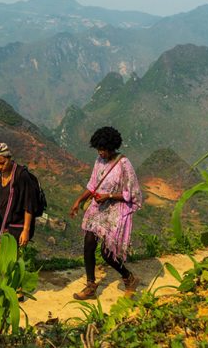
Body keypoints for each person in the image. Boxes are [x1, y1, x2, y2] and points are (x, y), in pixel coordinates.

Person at [69, 126, 143, 299]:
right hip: (98, 208)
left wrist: (109, 195)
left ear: (112, 147)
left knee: (107, 252)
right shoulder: (99, 161)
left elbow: (132, 193)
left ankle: (128, 277)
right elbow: (93, 183)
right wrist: (78, 200)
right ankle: (90, 285)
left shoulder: (124, 164)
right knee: (88, 243)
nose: (100, 153)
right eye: (98, 149)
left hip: (115, 210)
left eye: (103, 150)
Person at [0, 140, 38, 264]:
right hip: (5, 224)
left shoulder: (21, 176)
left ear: (9, 158)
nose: (0, 167)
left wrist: (25, 230)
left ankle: (3, 283)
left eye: (2, 163)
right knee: (9, 261)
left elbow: (29, 205)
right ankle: (12, 282)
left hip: (18, 225)